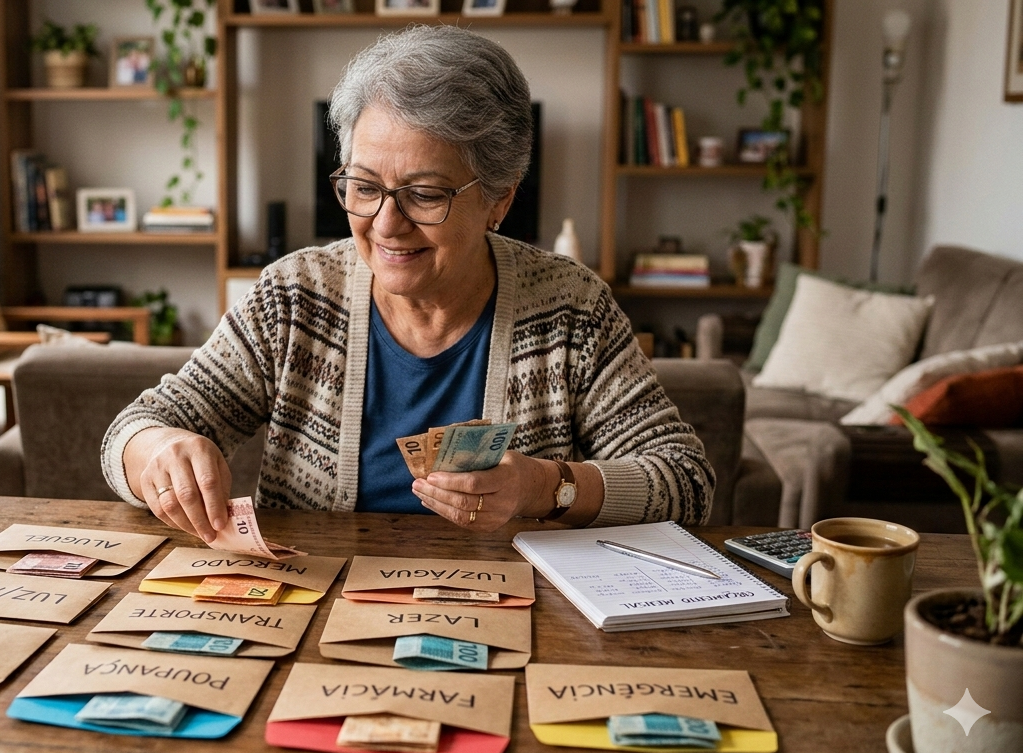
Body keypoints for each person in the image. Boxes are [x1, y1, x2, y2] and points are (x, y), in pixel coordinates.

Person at [102, 25, 713, 542]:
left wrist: (544, 487)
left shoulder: (570, 308)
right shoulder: (294, 297)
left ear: (499, 201)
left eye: (424, 194)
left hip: (518, 613)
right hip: (316, 604)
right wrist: (158, 450)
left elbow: (685, 482)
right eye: (364, 187)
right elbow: (133, 431)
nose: (386, 224)